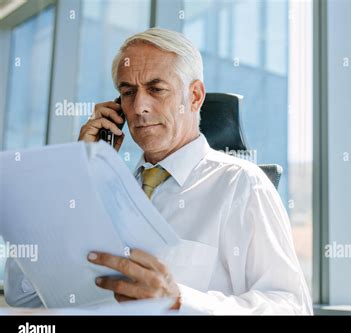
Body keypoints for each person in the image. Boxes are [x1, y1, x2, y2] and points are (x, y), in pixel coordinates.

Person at [4, 27, 312, 315]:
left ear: (194, 96)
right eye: (127, 91)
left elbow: (291, 306)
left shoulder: (242, 185)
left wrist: (179, 300)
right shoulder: (104, 188)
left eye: (156, 89)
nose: (139, 107)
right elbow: (22, 292)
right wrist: (77, 174)